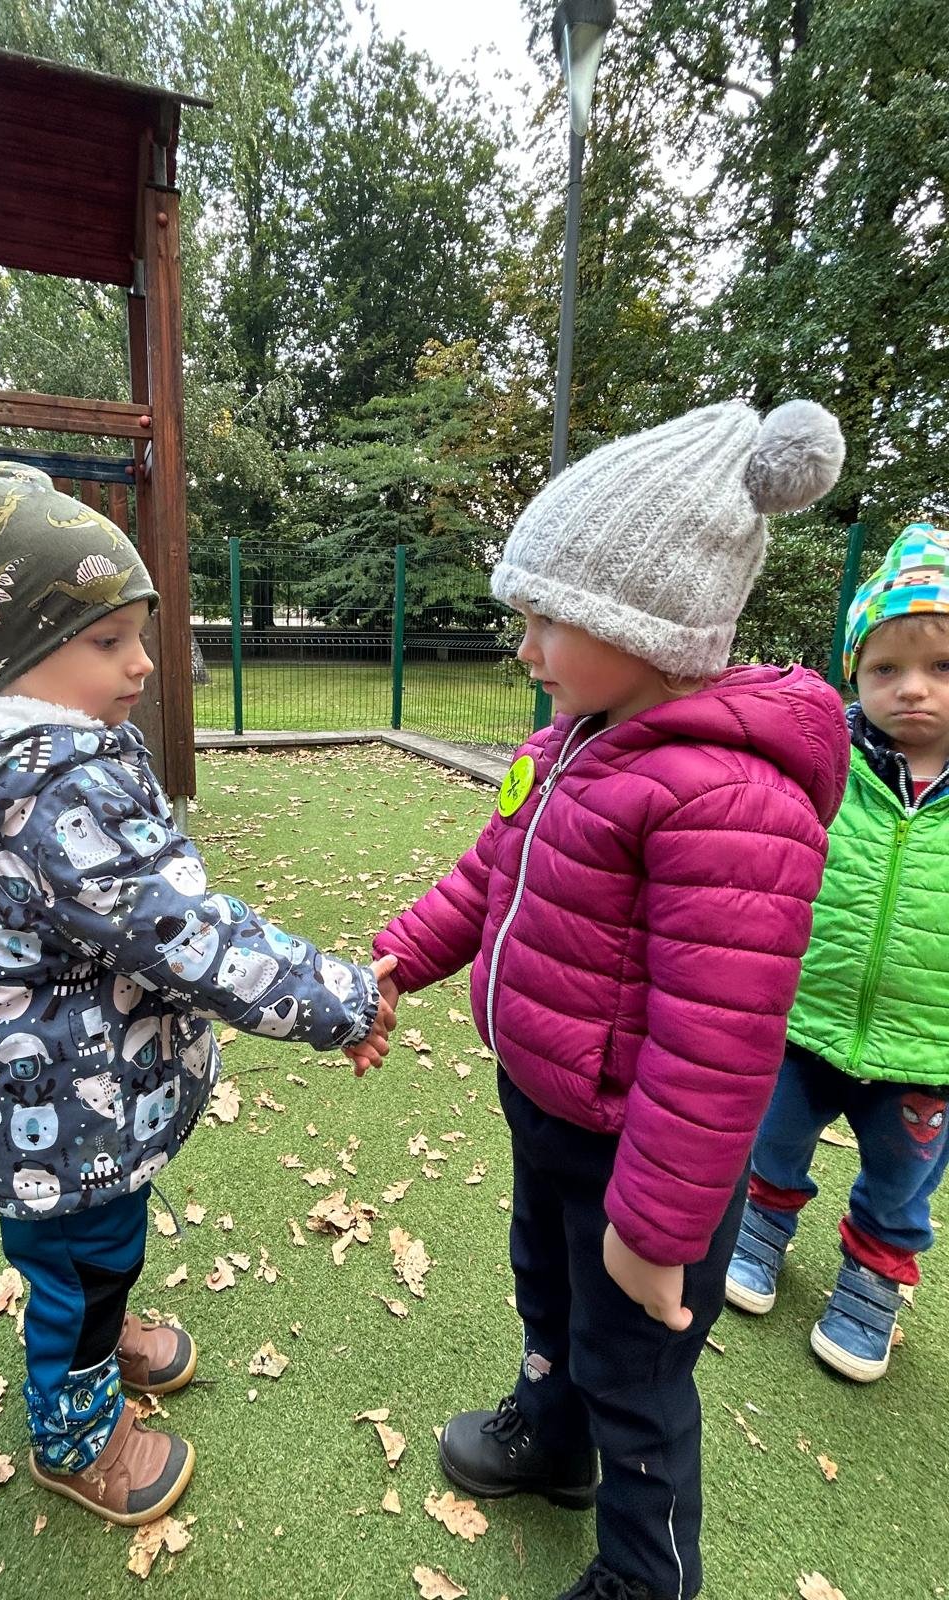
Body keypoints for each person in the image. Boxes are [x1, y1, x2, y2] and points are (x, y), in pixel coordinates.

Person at [0, 463, 395, 1526]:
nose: (142, 661)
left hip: (62, 1084)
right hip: (59, 1099)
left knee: (94, 1249)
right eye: (107, 640)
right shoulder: (55, 787)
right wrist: (342, 1000)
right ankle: (75, 1437)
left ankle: (103, 1333)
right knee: (78, 1271)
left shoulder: (39, 758)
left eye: (140, 633)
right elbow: (187, 935)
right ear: (18, 656)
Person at [368, 400, 849, 1600]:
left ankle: (646, 1576)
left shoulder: (726, 797)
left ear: (646, 621)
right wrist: (401, 956)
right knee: (548, 1289)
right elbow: (488, 877)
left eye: (548, 620)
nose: (525, 647)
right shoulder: (570, 744)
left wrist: (657, 1225)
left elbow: (717, 1046)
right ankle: (552, 1435)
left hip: (644, 1155)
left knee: (636, 1371)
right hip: (548, 1106)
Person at [725, 523, 949, 1381]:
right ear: (855, 672)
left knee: (901, 1181)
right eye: (886, 668)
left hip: (926, 1045)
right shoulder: (826, 766)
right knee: (774, 1138)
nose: (912, 689)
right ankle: (760, 1228)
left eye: (941, 667)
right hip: (804, 1014)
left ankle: (872, 1281)